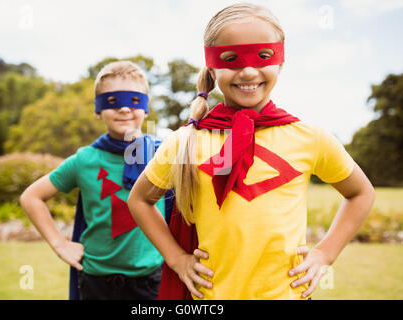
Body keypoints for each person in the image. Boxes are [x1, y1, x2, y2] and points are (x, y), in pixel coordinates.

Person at [127, 3, 375, 300]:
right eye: (230, 59)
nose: (247, 70)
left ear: (280, 62)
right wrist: (177, 259)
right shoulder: (186, 141)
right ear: (212, 67)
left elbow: (361, 193)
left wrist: (324, 254)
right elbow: (140, 199)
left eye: (262, 56)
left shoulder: (311, 138)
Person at [20, 60, 167, 300]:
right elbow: (31, 197)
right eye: (112, 101)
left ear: (146, 107)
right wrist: (60, 245)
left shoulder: (165, 155)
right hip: (97, 281)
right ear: (97, 110)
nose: (123, 109)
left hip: (151, 280)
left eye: (133, 100)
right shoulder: (85, 160)